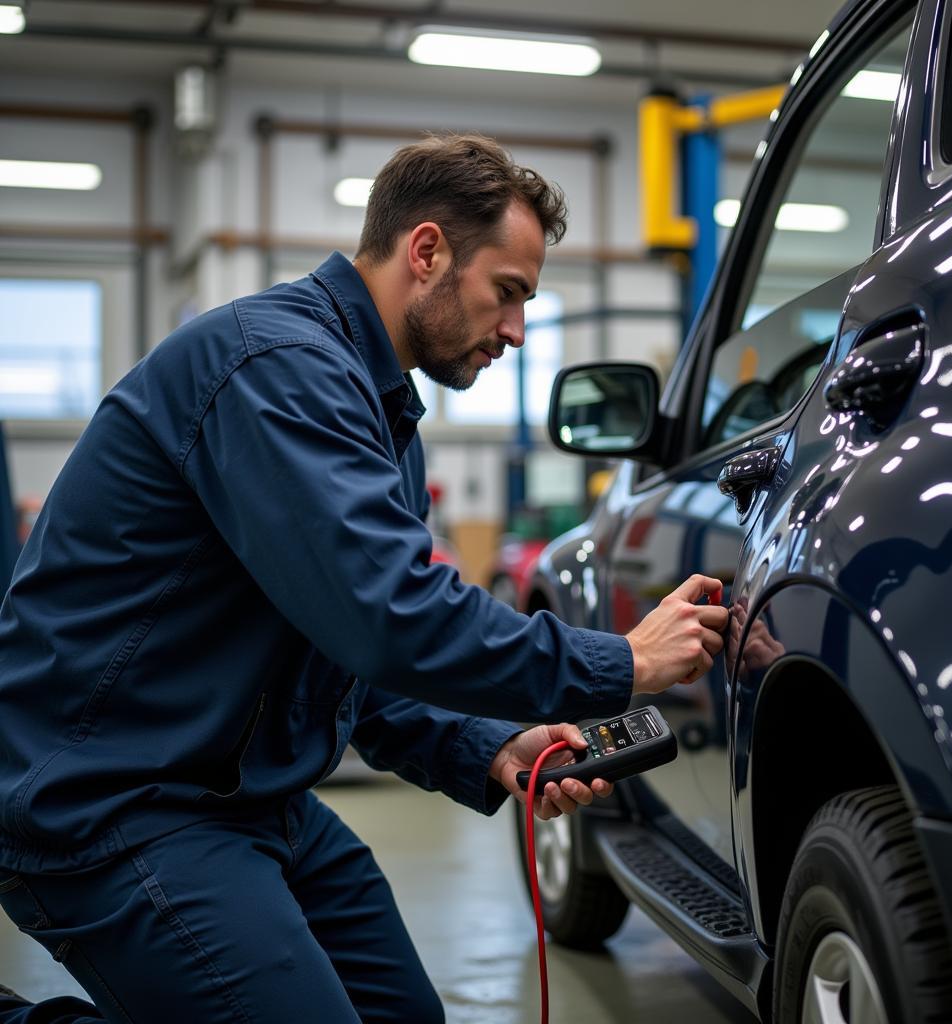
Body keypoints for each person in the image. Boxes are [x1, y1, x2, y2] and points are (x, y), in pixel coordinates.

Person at [0, 133, 728, 1023]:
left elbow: (340, 652)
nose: (516, 331)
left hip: (246, 792)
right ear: (426, 251)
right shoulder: (276, 370)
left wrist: (487, 743)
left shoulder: (379, 406)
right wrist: (622, 662)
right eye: (507, 293)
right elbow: (390, 618)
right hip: (113, 800)